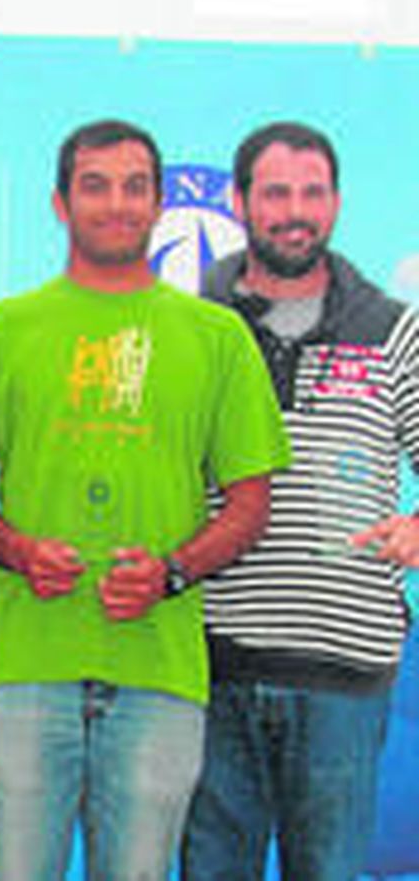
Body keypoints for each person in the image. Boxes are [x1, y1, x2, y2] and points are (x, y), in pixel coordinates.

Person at [0, 119, 291, 880]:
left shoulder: (218, 338)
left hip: (159, 671)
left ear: (160, 202)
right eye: (95, 185)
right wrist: (19, 550)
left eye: (134, 186)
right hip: (24, 663)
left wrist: (172, 573)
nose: (116, 204)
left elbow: (251, 504)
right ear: (60, 203)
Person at [180, 121, 418, 880]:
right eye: (276, 191)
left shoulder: (394, 331)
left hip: (343, 677)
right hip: (206, 665)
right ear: (241, 201)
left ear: (338, 203)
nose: (295, 210)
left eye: (313, 193)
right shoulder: (190, 329)